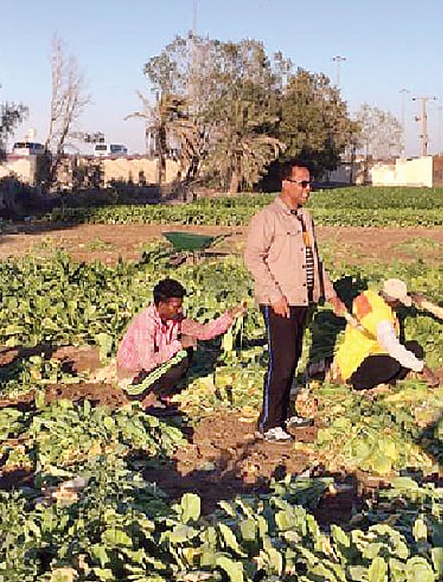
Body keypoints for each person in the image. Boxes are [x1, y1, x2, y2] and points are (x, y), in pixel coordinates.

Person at [244, 162, 345, 442]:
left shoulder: (305, 218)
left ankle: (286, 413)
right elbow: (253, 257)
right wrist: (274, 295)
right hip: (280, 301)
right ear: (286, 184)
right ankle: (268, 422)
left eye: (309, 184)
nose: (308, 189)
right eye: (303, 184)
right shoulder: (267, 218)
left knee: (294, 358)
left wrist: (330, 293)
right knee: (283, 361)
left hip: (303, 299)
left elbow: (315, 258)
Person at [116, 278, 244, 416]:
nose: (179, 310)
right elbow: (148, 362)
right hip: (133, 375)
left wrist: (230, 316)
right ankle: (145, 398)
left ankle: (159, 394)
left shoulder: (175, 319)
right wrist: (178, 345)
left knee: (184, 353)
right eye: (175, 306)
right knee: (180, 355)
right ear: (160, 305)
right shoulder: (146, 324)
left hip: (152, 370)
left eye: (180, 305)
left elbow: (203, 332)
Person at [332, 278, 440, 391]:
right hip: (358, 362)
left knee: (414, 348)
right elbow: (393, 348)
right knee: (391, 365)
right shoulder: (382, 321)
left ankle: (389, 379)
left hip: (356, 351)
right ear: (393, 301)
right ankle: (358, 384)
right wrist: (423, 368)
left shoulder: (368, 296)